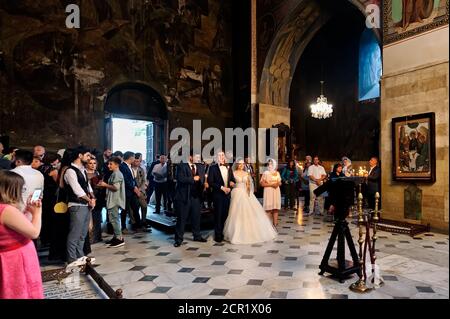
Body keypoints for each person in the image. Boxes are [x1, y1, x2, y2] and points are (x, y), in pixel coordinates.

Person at [0, 170, 44, 299]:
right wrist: (37, 212)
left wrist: (26, 211)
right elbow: (34, 232)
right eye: (21, 188)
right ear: (11, 189)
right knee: (23, 291)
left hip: (9, 257)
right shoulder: (7, 210)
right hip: (17, 259)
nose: (22, 192)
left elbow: (15, 228)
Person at [224, 159, 277, 244]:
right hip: (237, 192)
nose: (241, 165)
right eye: (239, 164)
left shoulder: (246, 173)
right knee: (236, 213)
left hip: (245, 193)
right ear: (237, 164)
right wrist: (231, 184)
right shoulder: (233, 173)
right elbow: (230, 182)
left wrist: (249, 193)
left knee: (249, 211)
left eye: (242, 164)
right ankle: (236, 233)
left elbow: (248, 184)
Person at [64, 146, 96, 266]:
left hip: (85, 205)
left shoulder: (82, 169)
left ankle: (80, 255)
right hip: (76, 205)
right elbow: (77, 190)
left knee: (83, 234)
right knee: (75, 233)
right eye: (87, 155)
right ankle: (71, 259)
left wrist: (93, 198)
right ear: (80, 156)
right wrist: (89, 200)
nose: (89, 158)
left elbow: (88, 186)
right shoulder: (70, 171)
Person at [173, 152, 207, 247]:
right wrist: (193, 179)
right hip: (184, 196)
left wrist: (204, 183)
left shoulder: (200, 166)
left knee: (196, 217)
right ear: (190, 157)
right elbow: (180, 179)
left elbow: (202, 178)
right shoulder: (181, 165)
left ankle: (197, 236)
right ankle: (178, 239)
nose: (199, 159)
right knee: (182, 219)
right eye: (197, 157)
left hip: (196, 196)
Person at [207, 151, 236, 243]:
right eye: (219, 155)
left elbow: (232, 179)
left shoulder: (229, 167)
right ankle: (218, 235)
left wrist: (231, 184)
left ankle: (225, 233)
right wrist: (222, 188)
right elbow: (211, 182)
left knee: (226, 215)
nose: (221, 157)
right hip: (218, 195)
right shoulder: (212, 168)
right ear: (216, 157)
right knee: (218, 215)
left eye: (223, 155)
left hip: (227, 195)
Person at [98, 157, 126, 248]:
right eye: (108, 164)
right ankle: (116, 237)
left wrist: (105, 185)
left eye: (111, 164)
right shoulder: (114, 173)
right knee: (113, 219)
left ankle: (119, 238)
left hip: (115, 200)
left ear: (117, 165)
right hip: (113, 199)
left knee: (114, 219)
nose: (108, 165)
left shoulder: (117, 174)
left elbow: (115, 188)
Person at [120, 152, 146, 233]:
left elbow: (133, 179)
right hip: (127, 192)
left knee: (135, 208)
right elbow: (126, 180)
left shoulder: (129, 166)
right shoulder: (123, 167)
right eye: (134, 158)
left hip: (132, 192)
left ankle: (138, 226)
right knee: (124, 210)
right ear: (131, 158)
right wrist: (134, 188)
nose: (135, 159)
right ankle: (123, 227)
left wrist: (136, 188)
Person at [38, 152, 60, 247]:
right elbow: (58, 183)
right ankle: (49, 238)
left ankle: (44, 238)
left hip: (43, 194)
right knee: (51, 217)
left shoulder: (40, 168)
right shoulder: (53, 170)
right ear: (54, 160)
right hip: (51, 195)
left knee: (44, 217)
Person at [86, 157, 103, 243]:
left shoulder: (97, 173)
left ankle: (97, 236)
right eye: (90, 163)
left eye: (94, 163)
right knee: (89, 218)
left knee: (97, 217)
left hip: (98, 196)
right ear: (87, 164)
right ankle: (90, 238)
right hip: (88, 196)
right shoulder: (84, 173)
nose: (93, 165)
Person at [261, 159, 282, 227]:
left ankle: (275, 223)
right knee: (269, 209)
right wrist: (271, 185)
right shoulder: (265, 173)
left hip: (276, 191)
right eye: (269, 164)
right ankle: (268, 225)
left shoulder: (277, 173)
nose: (270, 165)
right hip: (268, 191)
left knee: (275, 208)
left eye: (271, 164)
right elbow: (262, 184)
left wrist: (278, 183)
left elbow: (280, 182)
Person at [133, 153, 150, 228]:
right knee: (134, 208)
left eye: (139, 161)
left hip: (141, 191)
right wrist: (135, 189)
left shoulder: (141, 169)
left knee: (144, 206)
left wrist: (140, 189)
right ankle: (135, 222)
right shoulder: (130, 169)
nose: (138, 163)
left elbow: (144, 180)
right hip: (132, 191)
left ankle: (144, 220)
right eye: (136, 161)